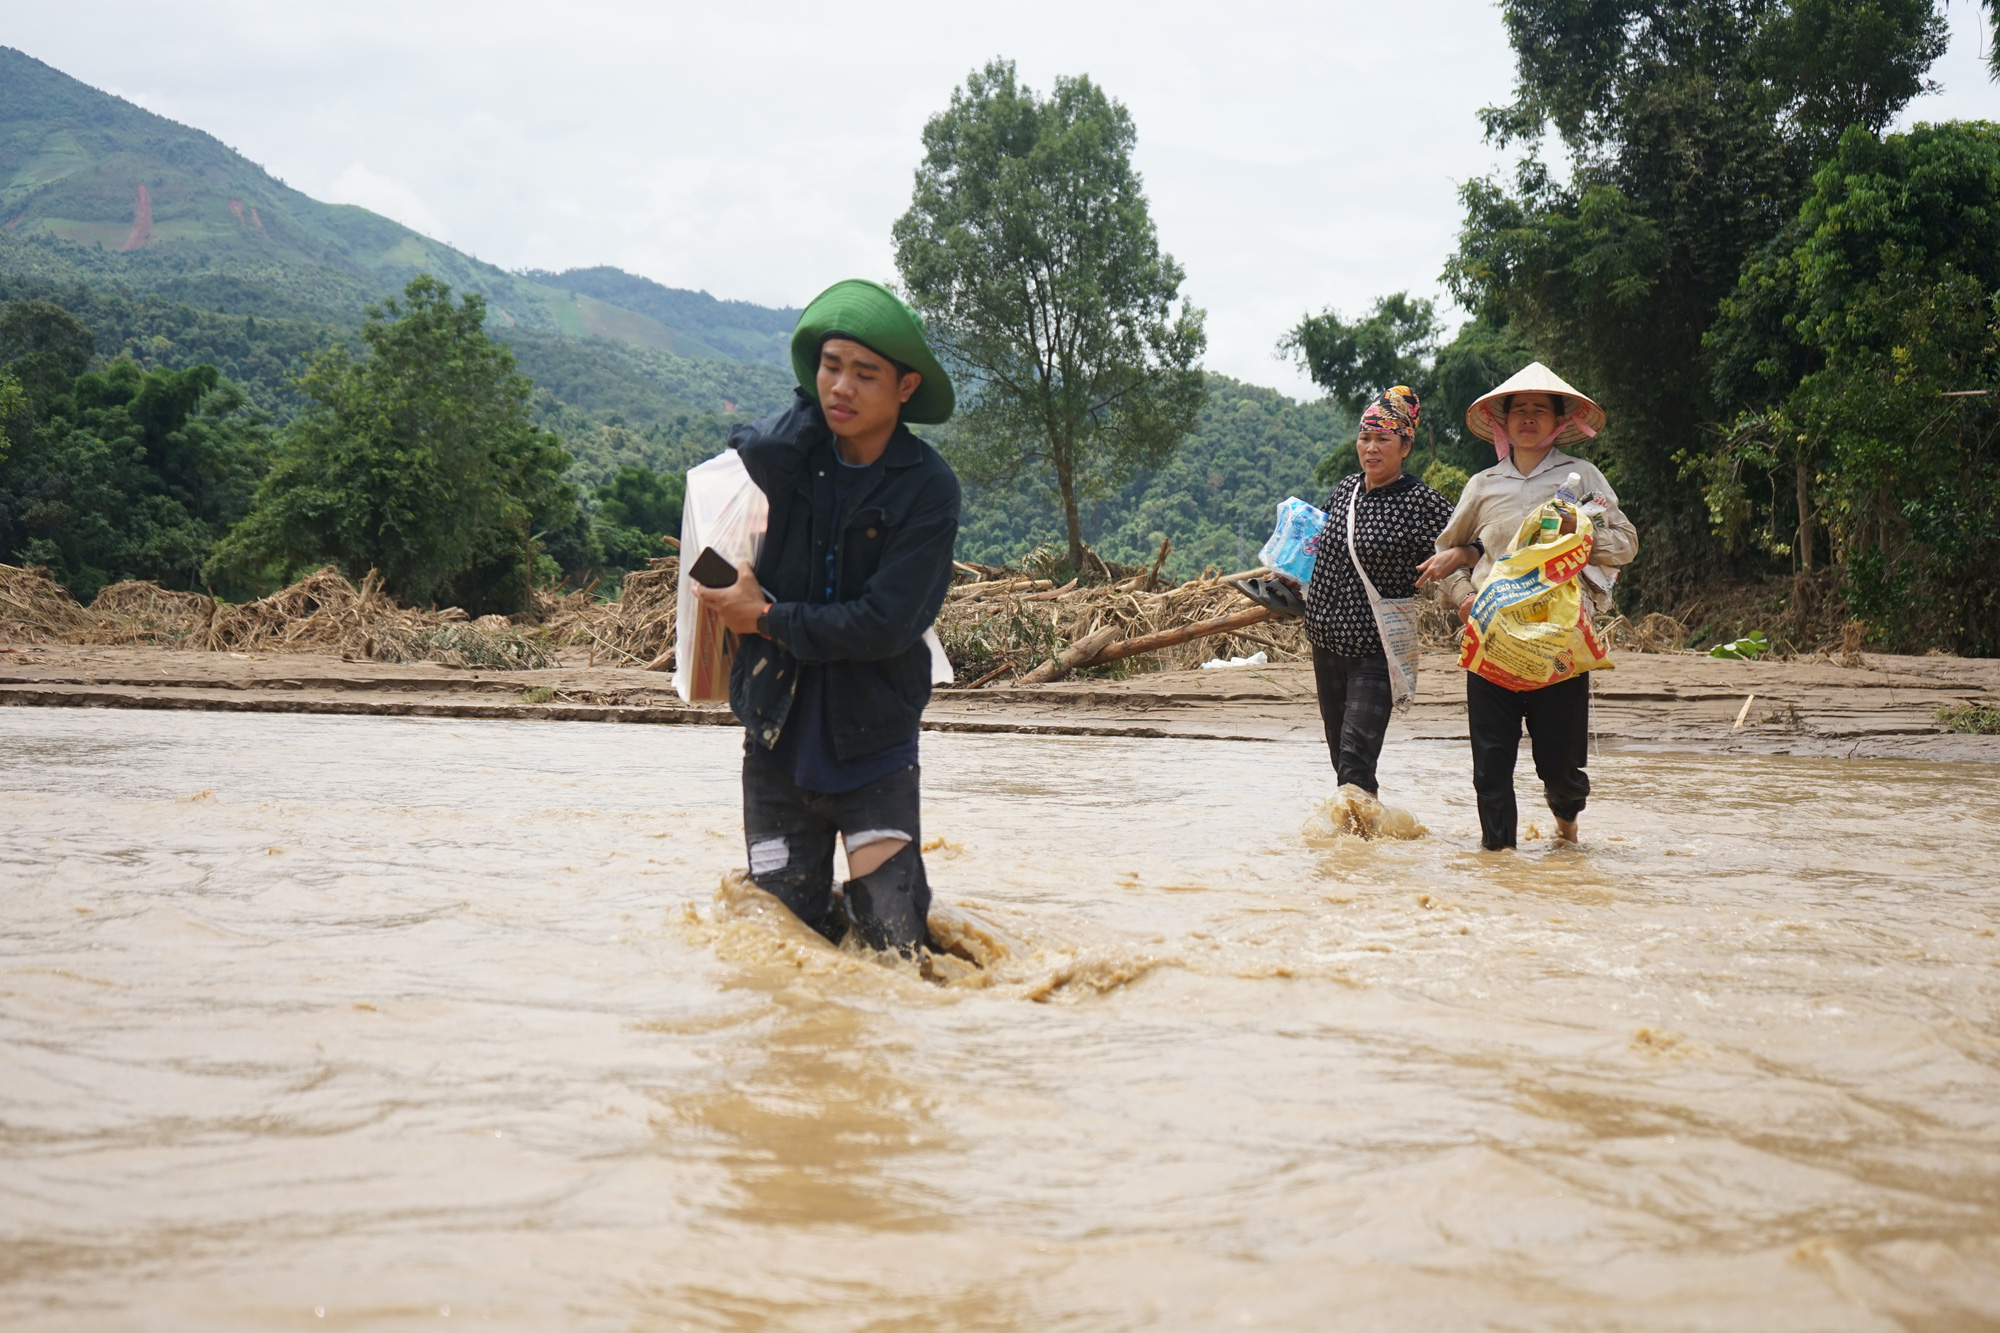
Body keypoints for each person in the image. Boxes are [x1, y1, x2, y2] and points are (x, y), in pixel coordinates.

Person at [692, 279, 960, 956]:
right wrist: (811, 413)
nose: (841, 386)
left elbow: (886, 623)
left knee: (895, 949)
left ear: (905, 389)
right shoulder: (792, 464)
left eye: (864, 374)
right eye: (829, 366)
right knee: (787, 950)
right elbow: (749, 447)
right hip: (776, 748)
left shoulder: (927, 488)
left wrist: (769, 618)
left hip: (873, 751)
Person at [1416, 362, 1637, 849]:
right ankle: (1499, 862)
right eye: (1520, 411)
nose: (1529, 418)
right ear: (1503, 422)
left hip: (1559, 643)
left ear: (1560, 420)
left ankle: (1567, 829)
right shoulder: (1482, 485)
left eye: (1541, 410)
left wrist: (1574, 535)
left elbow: (1625, 543)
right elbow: (1445, 554)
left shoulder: (1582, 477)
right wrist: (1467, 599)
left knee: (1560, 768)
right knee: (1490, 766)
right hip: (1491, 643)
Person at [1300, 386, 1456, 795]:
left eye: (1382, 439)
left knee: (1355, 760)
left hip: (1377, 651)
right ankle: (1364, 850)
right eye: (1364, 438)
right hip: (1325, 642)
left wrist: (1464, 581)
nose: (1370, 448)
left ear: (1405, 446)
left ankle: (1360, 846)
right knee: (1342, 761)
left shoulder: (1422, 503)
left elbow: (1468, 544)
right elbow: (1320, 550)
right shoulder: (1346, 489)